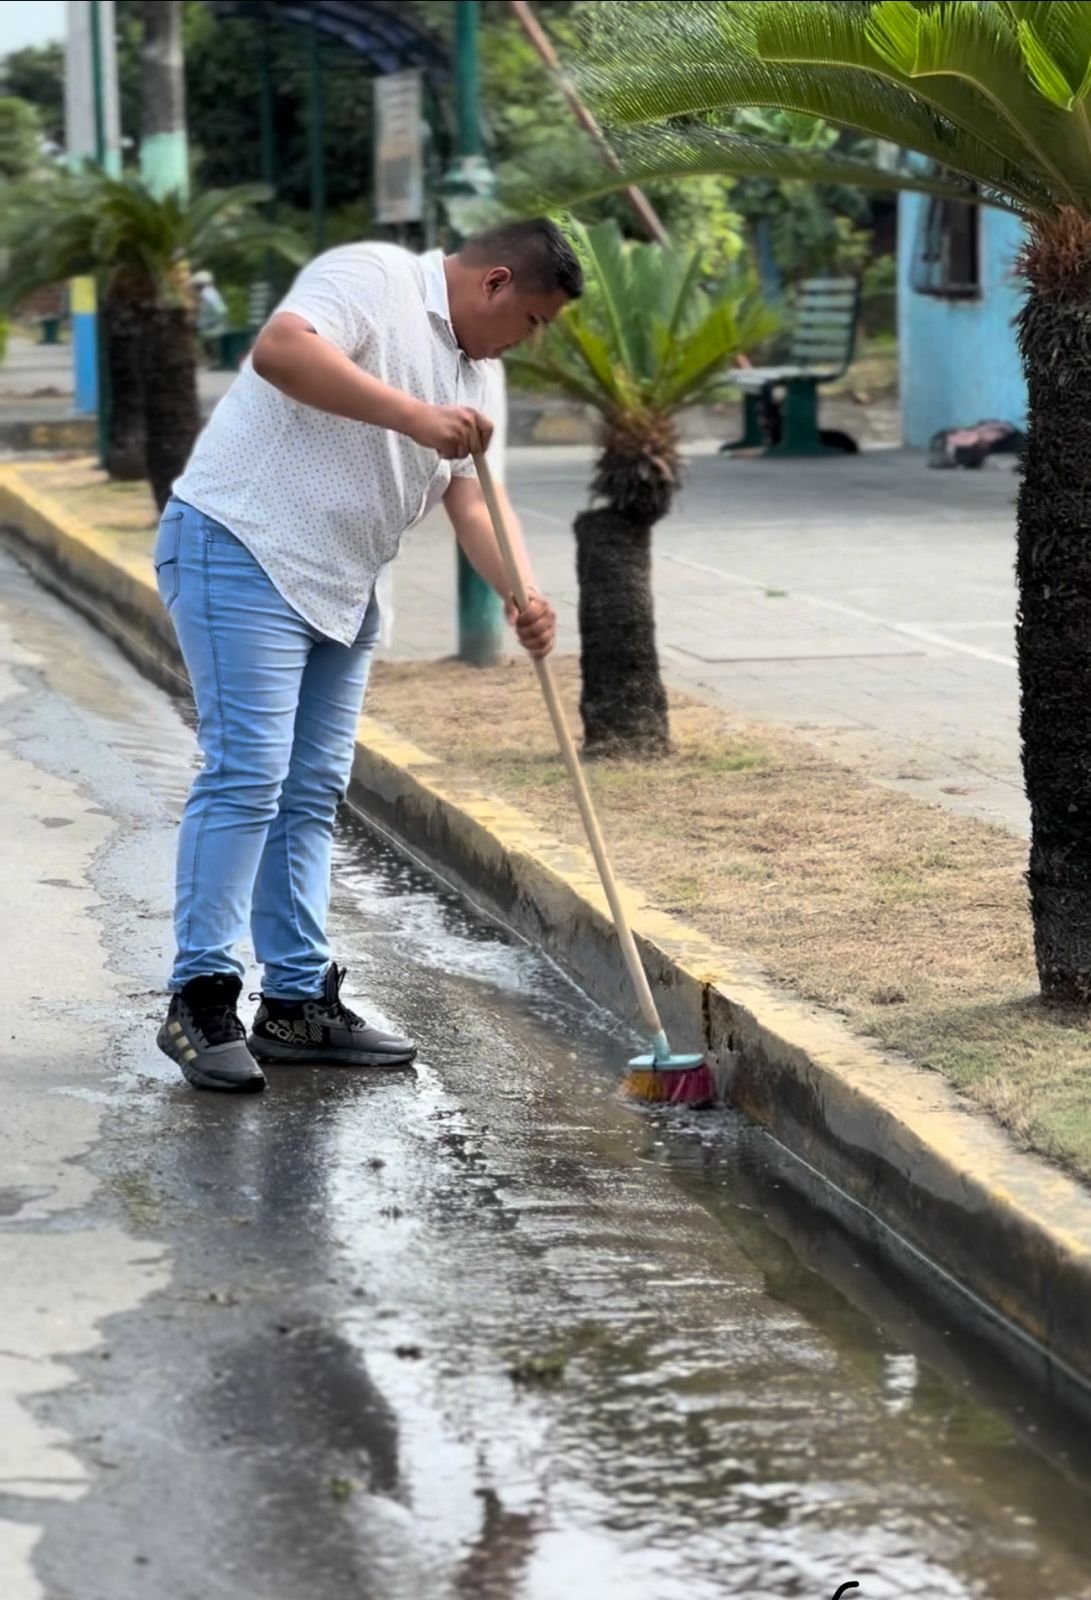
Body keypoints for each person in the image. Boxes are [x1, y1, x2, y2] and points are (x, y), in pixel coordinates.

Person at [154, 218, 582, 1093]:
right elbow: (281, 350)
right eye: (533, 320)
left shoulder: (479, 378)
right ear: (496, 283)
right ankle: (198, 997)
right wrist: (415, 416)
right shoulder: (376, 277)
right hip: (241, 547)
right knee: (248, 773)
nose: (529, 340)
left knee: (311, 786)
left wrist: (523, 594)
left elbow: (474, 500)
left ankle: (295, 1002)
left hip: (344, 582)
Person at [192, 269, 227, 362]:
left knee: (203, 341)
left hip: (211, 327)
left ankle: (212, 360)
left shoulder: (207, 294)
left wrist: (213, 323)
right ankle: (211, 359)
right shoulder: (208, 293)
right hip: (208, 326)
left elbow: (220, 310)